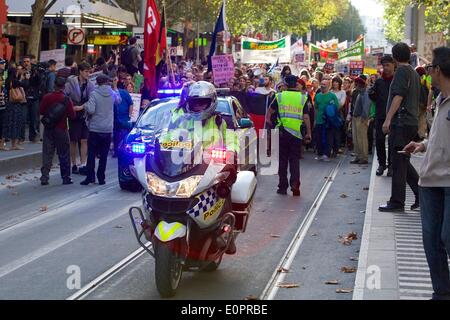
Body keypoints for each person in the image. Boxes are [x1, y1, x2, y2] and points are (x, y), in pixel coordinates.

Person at [403, 46, 450, 300]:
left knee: (447, 237)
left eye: (430, 67)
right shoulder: (440, 100)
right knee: (432, 243)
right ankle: (442, 293)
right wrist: (422, 145)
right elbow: (439, 136)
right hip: (430, 181)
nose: (428, 72)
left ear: (438, 70)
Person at [379, 42, 420, 212]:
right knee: (402, 160)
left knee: (398, 162)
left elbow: (398, 96)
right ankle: (421, 193)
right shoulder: (414, 73)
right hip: (410, 121)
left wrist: (388, 119)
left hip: (401, 122)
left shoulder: (402, 71)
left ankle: (397, 202)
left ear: (395, 57)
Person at [265, 75, 312, 196]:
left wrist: (271, 124)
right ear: (296, 84)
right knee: (294, 160)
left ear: (285, 84)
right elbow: (306, 117)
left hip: (282, 133)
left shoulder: (279, 96)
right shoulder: (303, 97)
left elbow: (270, 112)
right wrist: (308, 133)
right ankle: (295, 185)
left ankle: (282, 187)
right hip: (296, 134)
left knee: (282, 160)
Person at [80, 74, 121, 185]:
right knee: (103, 155)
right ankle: (101, 177)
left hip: (95, 128)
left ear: (97, 83)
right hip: (107, 128)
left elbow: (91, 110)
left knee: (92, 154)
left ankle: (90, 177)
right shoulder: (112, 93)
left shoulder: (94, 94)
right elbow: (119, 100)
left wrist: (86, 106)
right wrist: (115, 87)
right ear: (107, 82)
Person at [39, 77, 76, 185]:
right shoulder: (66, 99)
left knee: (47, 153)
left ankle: (44, 177)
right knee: (64, 154)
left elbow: (41, 111)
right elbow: (72, 115)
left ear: (54, 85)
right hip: (62, 129)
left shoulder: (47, 97)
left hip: (49, 129)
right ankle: (65, 177)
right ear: (64, 86)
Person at [65, 62, 95, 174]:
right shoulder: (71, 83)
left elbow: (92, 100)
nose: (88, 74)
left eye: (89, 71)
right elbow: (65, 96)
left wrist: (82, 107)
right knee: (73, 140)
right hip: (74, 114)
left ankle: (83, 164)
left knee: (84, 140)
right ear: (80, 72)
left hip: (85, 114)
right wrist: (72, 107)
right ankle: (73, 163)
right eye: (86, 71)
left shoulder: (91, 85)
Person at [369, 55, 395, 176]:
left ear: (393, 65)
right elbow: (373, 97)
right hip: (380, 115)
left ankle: (391, 165)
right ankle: (381, 164)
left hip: (394, 116)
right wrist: (371, 93)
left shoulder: (396, 80)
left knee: (392, 142)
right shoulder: (379, 82)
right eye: (384, 66)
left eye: (388, 65)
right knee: (379, 140)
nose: (386, 68)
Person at [313, 78, 339, 162]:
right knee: (319, 137)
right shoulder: (317, 96)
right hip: (319, 120)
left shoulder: (332, 96)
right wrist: (315, 119)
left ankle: (327, 154)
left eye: (325, 84)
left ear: (328, 86)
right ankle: (320, 154)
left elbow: (336, 107)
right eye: (322, 84)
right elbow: (316, 108)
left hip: (328, 121)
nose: (323, 86)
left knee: (328, 137)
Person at [112, 74, 134, 157]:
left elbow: (131, 104)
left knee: (124, 135)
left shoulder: (124, 92)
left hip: (124, 119)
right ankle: (116, 151)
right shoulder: (110, 93)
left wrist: (130, 115)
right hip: (115, 119)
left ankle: (124, 150)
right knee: (116, 135)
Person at [350, 76, 371, 165]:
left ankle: (363, 157)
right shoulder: (361, 93)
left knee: (361, 138)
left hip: (361, 118)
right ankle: (358, 156)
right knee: (356, 138)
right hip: (356, 117)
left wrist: (364, 117)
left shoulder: (365, 93)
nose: (355, 86)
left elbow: (366, 106)